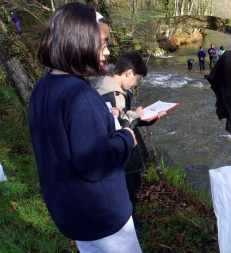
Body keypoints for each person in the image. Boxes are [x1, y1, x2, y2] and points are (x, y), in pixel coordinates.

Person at [28, 3, 142, 252]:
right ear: (78, 41)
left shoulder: (43, 88)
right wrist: (124, 137)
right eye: (102, 43)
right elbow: (94, 163)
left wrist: (101, 117)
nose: (108, 52)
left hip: (69, 211)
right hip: (102, 216)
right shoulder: (81, 96)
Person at [97, 51, 166, 233]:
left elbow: (127, 119)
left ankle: (132, 221)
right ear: (128, 72)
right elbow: (118, 128)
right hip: (124, 158)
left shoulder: (119, 91)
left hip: (128, 154)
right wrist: (136, 114)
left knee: (131, 190)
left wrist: (150, 117)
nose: (136, 83)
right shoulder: (111, 96)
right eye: (136, 79)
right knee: (126, 192)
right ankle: (129, 228)